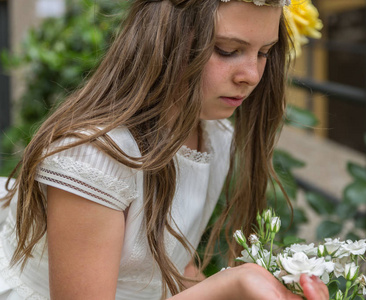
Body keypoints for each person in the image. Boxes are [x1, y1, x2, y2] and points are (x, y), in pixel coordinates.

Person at [0, 0, 329, 299]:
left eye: (264, 52)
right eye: (228, 50)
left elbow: (165, 273)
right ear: (165, 40)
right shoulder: (93, 158)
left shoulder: (214, 135)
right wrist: (231, 284)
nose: (251, 75)